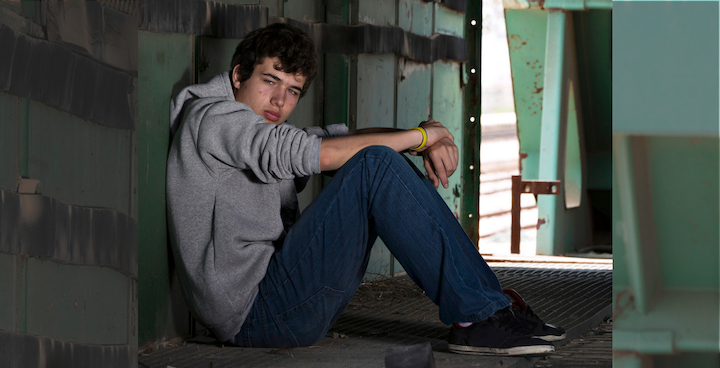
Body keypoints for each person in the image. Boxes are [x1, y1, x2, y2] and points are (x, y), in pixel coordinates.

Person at [166, 22, 564, 356]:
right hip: (255, 315)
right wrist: (420, 136)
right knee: (375, 163)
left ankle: (491, 310)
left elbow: (338, 139)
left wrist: (423, 138)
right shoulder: (214, 118)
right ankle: (478, 317)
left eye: (292, 91)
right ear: (238, 75)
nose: (279, 100)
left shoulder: (254, 127)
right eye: (269, 81)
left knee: (373, 158)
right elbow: (318, 154)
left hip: (280, 298)